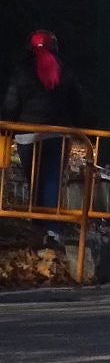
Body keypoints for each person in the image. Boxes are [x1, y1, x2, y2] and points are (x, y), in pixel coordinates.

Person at [3, 30, 86, 241]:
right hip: (56, 134)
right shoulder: (64, 71)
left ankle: (37, 225)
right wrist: (79, 126)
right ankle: (52, 229)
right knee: (52, 180)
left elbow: (11, 103)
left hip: (26, 136)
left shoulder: (21, 71)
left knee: (34, 178)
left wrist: (9, 126)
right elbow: (77, 102)